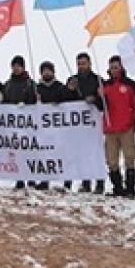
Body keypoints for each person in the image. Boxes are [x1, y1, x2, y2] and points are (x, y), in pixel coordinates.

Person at [33, 61, 81, 190]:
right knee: (45, 154)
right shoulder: (36, 88)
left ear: (53, 72)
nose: (47, 73)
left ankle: (67, 181)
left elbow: (69, 100)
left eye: (49, 70)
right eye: (44, 71)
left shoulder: (60, 87)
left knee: (63, 154)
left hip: (60, 129)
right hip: (43, 129)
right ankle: (44, 181)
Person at [102, 55, 135, 198]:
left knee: (129, 158)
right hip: (110, 129)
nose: (114, 70)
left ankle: (130, 189)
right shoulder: (104, 86)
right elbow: (101, 107)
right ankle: (117, 188)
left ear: (121, 67)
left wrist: (132, 125)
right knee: (111, 160)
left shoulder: (131, 85)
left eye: (116, 67)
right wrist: (99, 97)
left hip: (126, 129)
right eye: (111, 67)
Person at [72, 52, 106, 194]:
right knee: (82, 154)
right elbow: (65, 99)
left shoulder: (98, 80)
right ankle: (85, 183)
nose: (81, 66)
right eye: (79, 64)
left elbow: (104, 104)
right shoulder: (73, 80)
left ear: (90, 63)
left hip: (95, 124)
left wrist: (96, 99)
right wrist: (69, 89)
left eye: (84, 63)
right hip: (79, 125)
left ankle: (100, 184)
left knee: (96, 154)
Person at [3, 56, 38, 188]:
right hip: (12, 124)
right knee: (16, 153)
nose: (16, 68)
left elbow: (35, 102)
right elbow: (5, 103)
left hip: (28, 124)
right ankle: (19, 178)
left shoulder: (30, 84)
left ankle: (31, 178)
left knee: (29, 152)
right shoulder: (8, 84)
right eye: (14, 66)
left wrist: (30, 103)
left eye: (19, 66)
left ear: (23, 67)